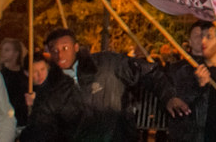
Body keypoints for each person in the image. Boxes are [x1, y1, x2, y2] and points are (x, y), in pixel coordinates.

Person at [44, 26, 189, 141]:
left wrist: (169, 97)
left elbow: (149, 72)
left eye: (65, 48)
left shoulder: (108, 64)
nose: (60, 55)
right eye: (54, 50)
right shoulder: (52, 86)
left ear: (76, 47)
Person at [0, 36, 28, 127]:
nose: (2, 53)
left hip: (22, 122)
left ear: (16, 53)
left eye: (7, 50)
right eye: (2, 49)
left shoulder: (25, 76)